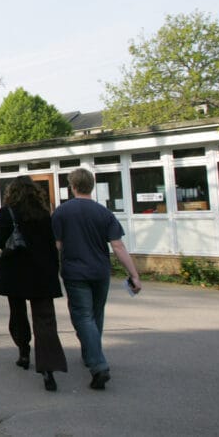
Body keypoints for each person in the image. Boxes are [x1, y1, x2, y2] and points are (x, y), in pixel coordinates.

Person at [52, 167, 142, 391]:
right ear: (91, 186)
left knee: (82, 316)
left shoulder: (62, 213)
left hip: (75, 272)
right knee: (96, 315)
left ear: (72, 187)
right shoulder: (104, 213)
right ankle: (90, 353)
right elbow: (118, 246)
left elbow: (57, 245)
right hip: (100, 272)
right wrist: (134, 274)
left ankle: (98, 365)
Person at [0, 175, 68, 391]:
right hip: (42, 272)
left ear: (12, 192)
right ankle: (48, 369)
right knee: (45, 319)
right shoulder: (44, 213)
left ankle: (24, 352)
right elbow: (51, 245)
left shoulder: (8, 212)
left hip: (16, 271)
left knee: (18, 313)